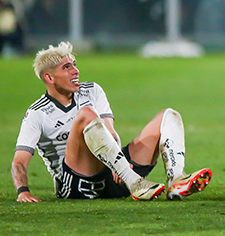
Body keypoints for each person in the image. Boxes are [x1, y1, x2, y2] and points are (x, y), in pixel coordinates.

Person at [13, 42, 211, 202]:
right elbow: (19, 161)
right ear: (49, 77)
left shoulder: (92, 90)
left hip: (114, 172)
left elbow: (109, 130)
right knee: (86, 114)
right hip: (76, 185)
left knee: (168, 116)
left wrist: (120, 165)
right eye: (67, 67)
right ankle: (135, 182)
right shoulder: (37, 113)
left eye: (74, 64)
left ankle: (176, 180)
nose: (76, 71)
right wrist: (23, 191)